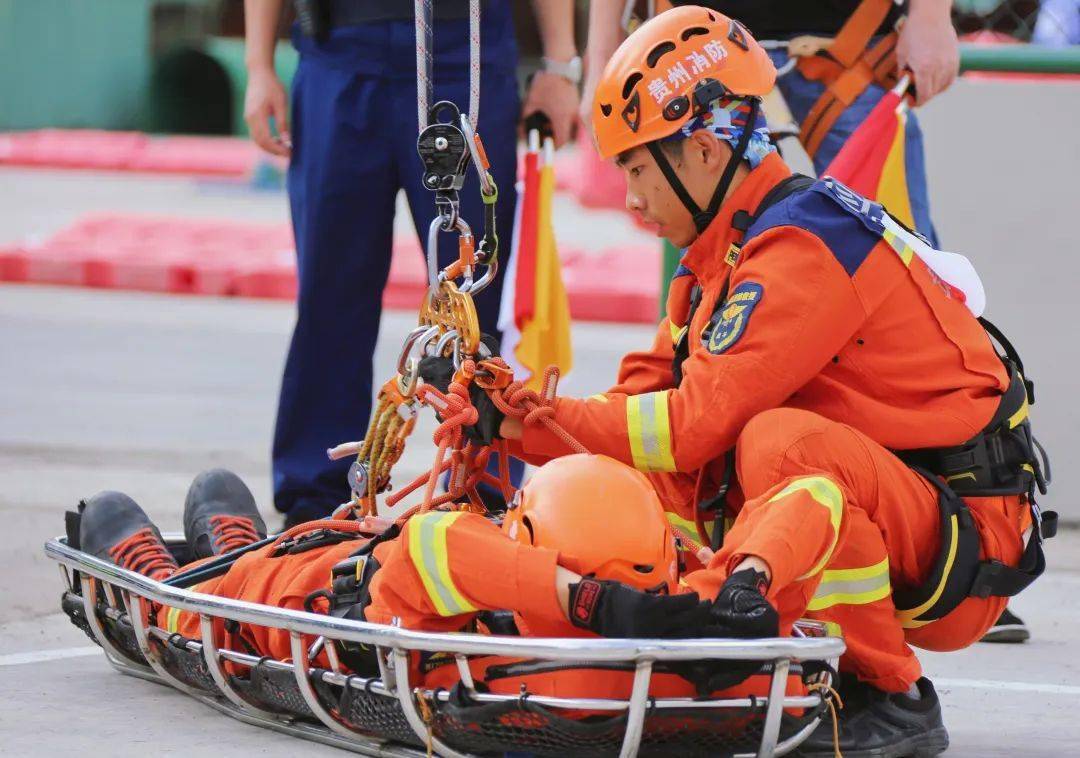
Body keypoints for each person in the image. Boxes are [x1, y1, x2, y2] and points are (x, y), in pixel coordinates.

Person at [426, 7, 1050, 756]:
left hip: (958, 543)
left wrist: (538, 415)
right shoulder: (719, 260)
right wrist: (506, 421)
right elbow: (633, 417)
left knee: (773, 444)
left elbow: (689, 425)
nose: (629, 200)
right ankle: (723, 642)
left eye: (634, 169)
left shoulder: (801, 250)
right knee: (650, 483)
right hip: (899, 506)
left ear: (696, 151)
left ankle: (887, 693)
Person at [243, 0, 580, 527]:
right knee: (330, 299)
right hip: (340, 53)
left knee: (472, 297)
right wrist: (259, 66)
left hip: (462, 51)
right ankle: (318, 502)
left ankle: (478, 489)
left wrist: (561, 66)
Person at [73, 457, 792, 702]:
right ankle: (227, 547)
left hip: (267, 603)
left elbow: (430, 544)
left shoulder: (498, 662)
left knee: (176, 589)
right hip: (351, 557)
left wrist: (588, 600)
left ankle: (174, 576)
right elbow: (801, 503)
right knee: (230, 503)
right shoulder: (683, 635)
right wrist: (744, 583)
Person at [583, 0, 956, 245]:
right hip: (695, 63)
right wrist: (600, 56)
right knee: (716, 283)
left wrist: (932, 15)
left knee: (898, 255)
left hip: (852, 44)